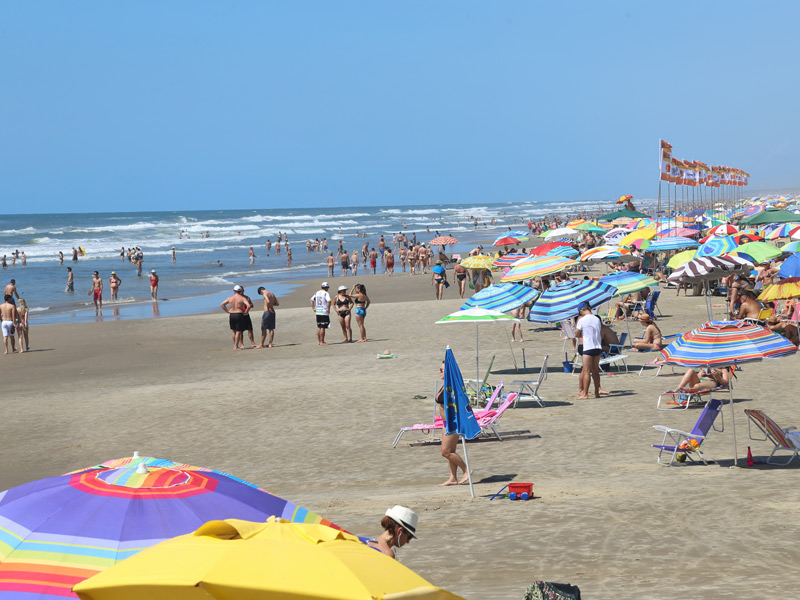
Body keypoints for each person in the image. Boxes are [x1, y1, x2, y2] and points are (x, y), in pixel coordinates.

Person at [436, 361, 472, 485]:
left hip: (452, 423)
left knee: (446, 452)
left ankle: (467, 470)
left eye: (442, 370)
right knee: (451, 451)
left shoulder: (452, 387)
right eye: (439, 369)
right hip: (445, 423)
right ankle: (453, 478)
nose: (440, 372)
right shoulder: (445, 385)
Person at [575, 301, 610, 399]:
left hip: (588, 346)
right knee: (595, 371)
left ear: (582, 310)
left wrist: (582, 334)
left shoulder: (582, 320)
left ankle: (585, 394)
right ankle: (597, 392)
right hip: (597, 347)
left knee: (586, 371)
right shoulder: (596, 319)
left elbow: (576, 334)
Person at [220, 285, 253, 350]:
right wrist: (246, 312)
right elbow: (248, 306)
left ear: (234, 291)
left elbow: (222, 304)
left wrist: (227, 311)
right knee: (238, 331)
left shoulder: (230, 298)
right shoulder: (242, 298)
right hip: (239, 314)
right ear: (240, 291)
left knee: (233, 331)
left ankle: (235, 344)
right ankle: (236, 346)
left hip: (232, 314)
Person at [310, 281, 332, 346]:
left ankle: (319, 341)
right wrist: (328, 309)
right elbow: (329, 301)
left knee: (319, 326)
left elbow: (311, 300)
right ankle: (322, 341)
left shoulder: (317, 292)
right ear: (327, 288)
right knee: (323, 327)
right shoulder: (326, 293)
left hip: (318, 311)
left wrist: (313, 308)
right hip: (323, 311)